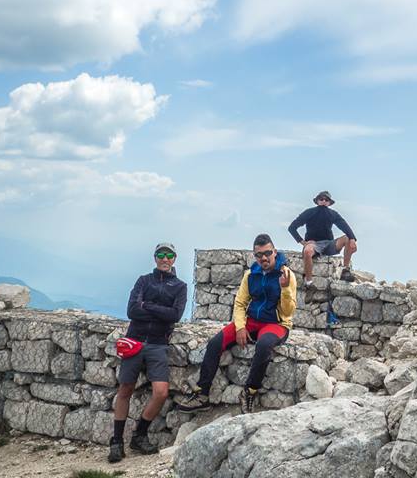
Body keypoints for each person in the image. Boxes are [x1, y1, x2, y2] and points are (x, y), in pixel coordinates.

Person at [175, 234, 296, 414]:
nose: (263, 258)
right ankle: (202, 394)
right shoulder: (250, 275)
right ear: (254, 256)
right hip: (251, 321)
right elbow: (240, 303)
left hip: (276, 324)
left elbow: (288, 312)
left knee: (263, 346)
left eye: (267, 253)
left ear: (275, 252)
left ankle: (249, 391)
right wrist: (240, 327)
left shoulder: (286, 275)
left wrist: (285, 288)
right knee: (216, 343)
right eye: (258, 254)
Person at [109, 242, 187, 464]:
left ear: (174, 259)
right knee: (125, 389)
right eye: (161, 254)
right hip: (134, 341)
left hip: (157, 344)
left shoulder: (180, 286)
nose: (165, 258)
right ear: (155, 258)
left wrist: (147, 306)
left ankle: (139, 435)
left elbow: (175, 315)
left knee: (161, 392)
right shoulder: (144, 280)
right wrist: (158, 312)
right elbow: (131, 310)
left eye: (169, 255)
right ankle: (116, 441)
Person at [288, 190, 358, 287]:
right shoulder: (309, 212)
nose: (324, 201)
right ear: (317, 201)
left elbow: (345, 227)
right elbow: (292, 228)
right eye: (321, 199)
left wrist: (353, 239)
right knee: (307, 251)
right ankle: (308, 282)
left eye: (326, 199)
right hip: (313, 245)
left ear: (329, 203)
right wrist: (303, 243)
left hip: (329, 244)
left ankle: (345, 271)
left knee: (348, 238)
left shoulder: (333, 214)